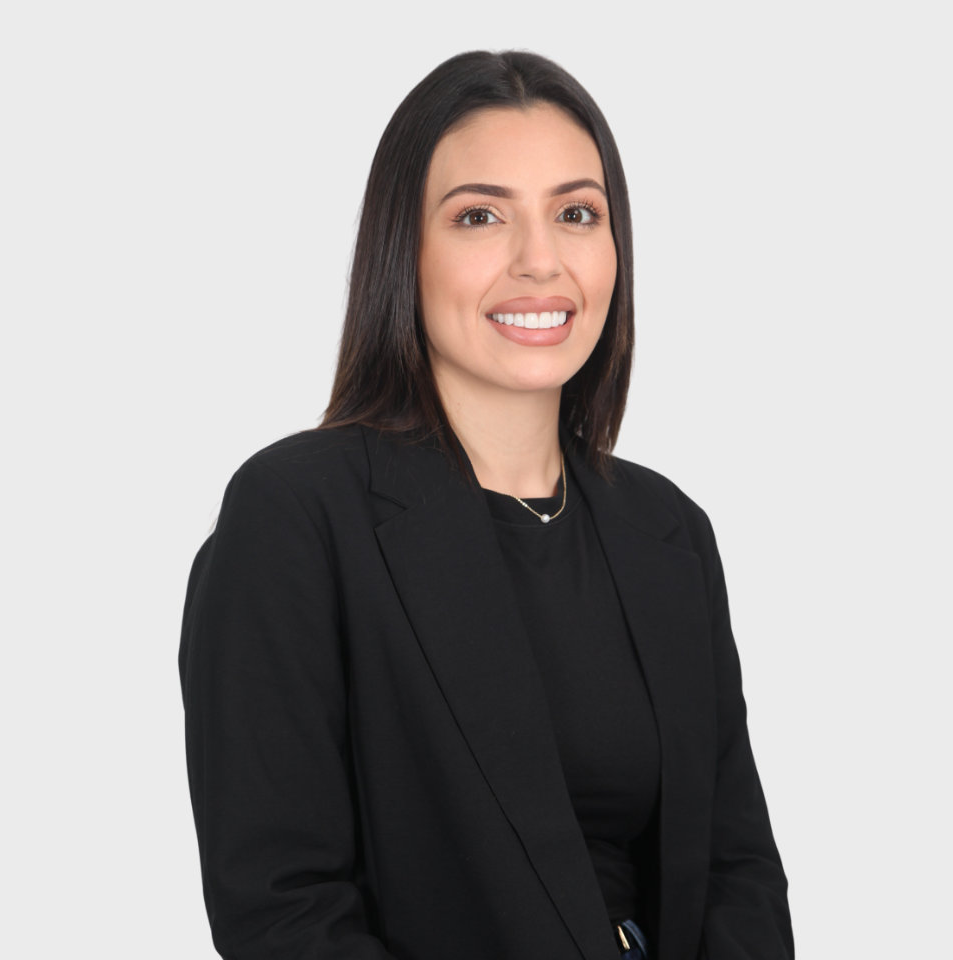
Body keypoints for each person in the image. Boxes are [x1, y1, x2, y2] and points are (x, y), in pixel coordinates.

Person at [178, 50, 794, 960]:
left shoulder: (668, 532)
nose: (539, 261)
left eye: (577, 214)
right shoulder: (297, 517)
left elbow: (738, 875)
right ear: (405, 249)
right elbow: (284, 912)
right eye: (480, 216)